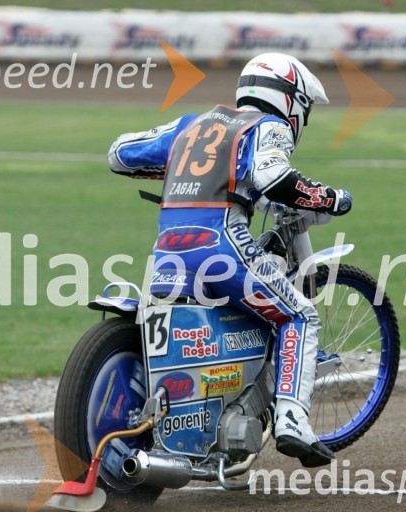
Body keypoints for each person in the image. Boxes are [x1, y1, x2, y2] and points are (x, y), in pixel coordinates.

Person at [107, 53, 352, 467]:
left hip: (168, 254)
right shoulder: (269, 126)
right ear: (292, 101)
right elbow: (273, 177)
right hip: (222, 248)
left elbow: (120, 154)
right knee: (300, 316)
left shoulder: (193, 124)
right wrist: (332, 198)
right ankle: (293, 421)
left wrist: (175, 168)